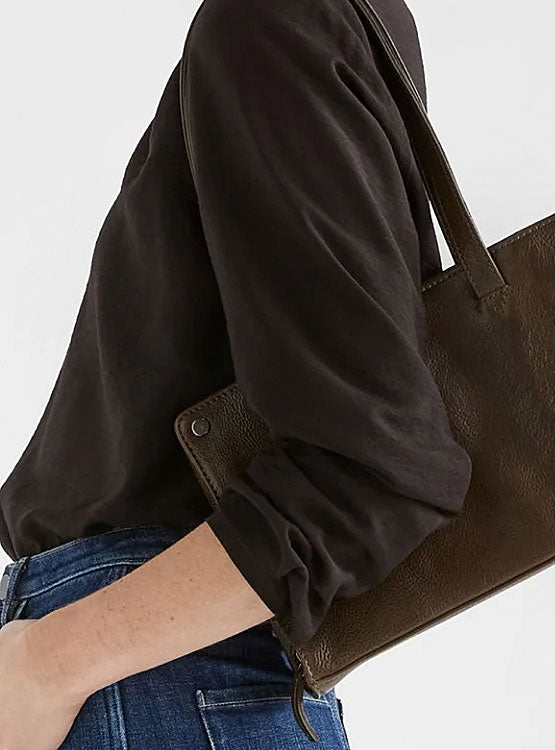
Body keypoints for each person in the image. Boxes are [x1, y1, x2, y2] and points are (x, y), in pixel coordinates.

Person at [0, 0, 472, 747]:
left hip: (148, 683)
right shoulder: (319, 23)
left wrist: (48, 665)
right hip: (183, 680)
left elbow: (371, 469)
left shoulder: (272, 20)